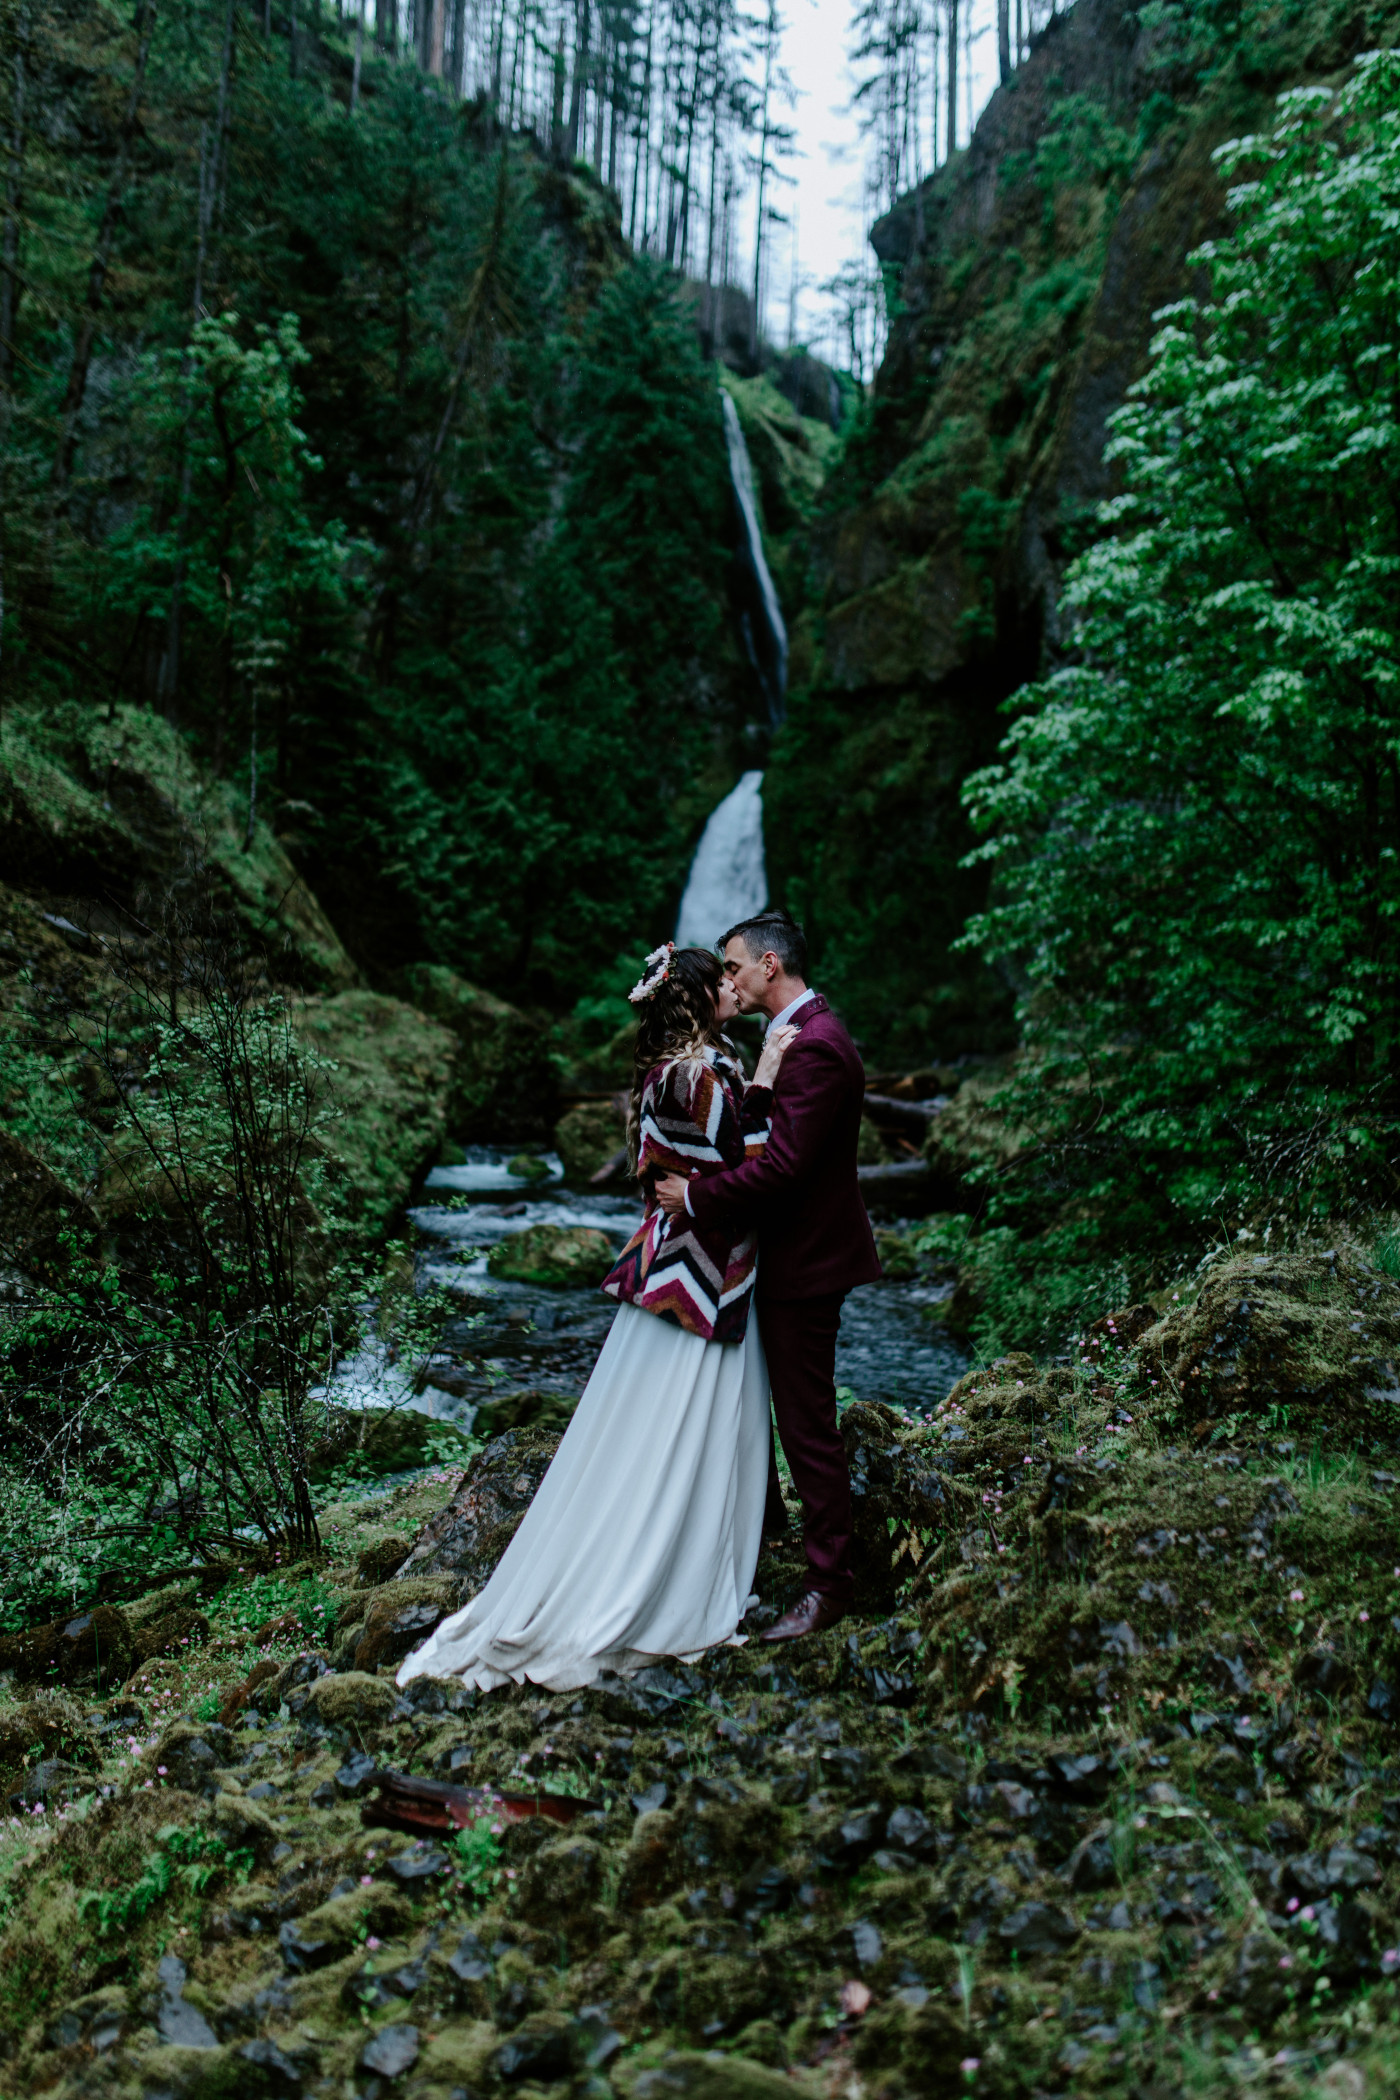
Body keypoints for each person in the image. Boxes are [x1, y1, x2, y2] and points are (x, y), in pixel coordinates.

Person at [396, 944, 796, 1694]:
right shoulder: (693, 1074)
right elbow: (744, 1159)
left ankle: (689, 1558)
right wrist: (769, 1078)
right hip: (698, 1279)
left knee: (686, 1428)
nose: (736, 988)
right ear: (700, 993)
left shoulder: (692, 1066)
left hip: (693, 1267)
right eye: (723, 980)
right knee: (682, 1428)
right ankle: (660, 1578)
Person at [655, 909, 880, 1642]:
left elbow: (779, 1170)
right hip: (787, 1258)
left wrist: (692, 1197)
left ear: (769, 967)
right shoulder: (797, 1039)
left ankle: (829, 1585)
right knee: (771, 1409)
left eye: (732, 966)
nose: (727, 979)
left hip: (805, 1264)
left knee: (808, 1425)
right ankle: (769, 1536)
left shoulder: (815, 1048)